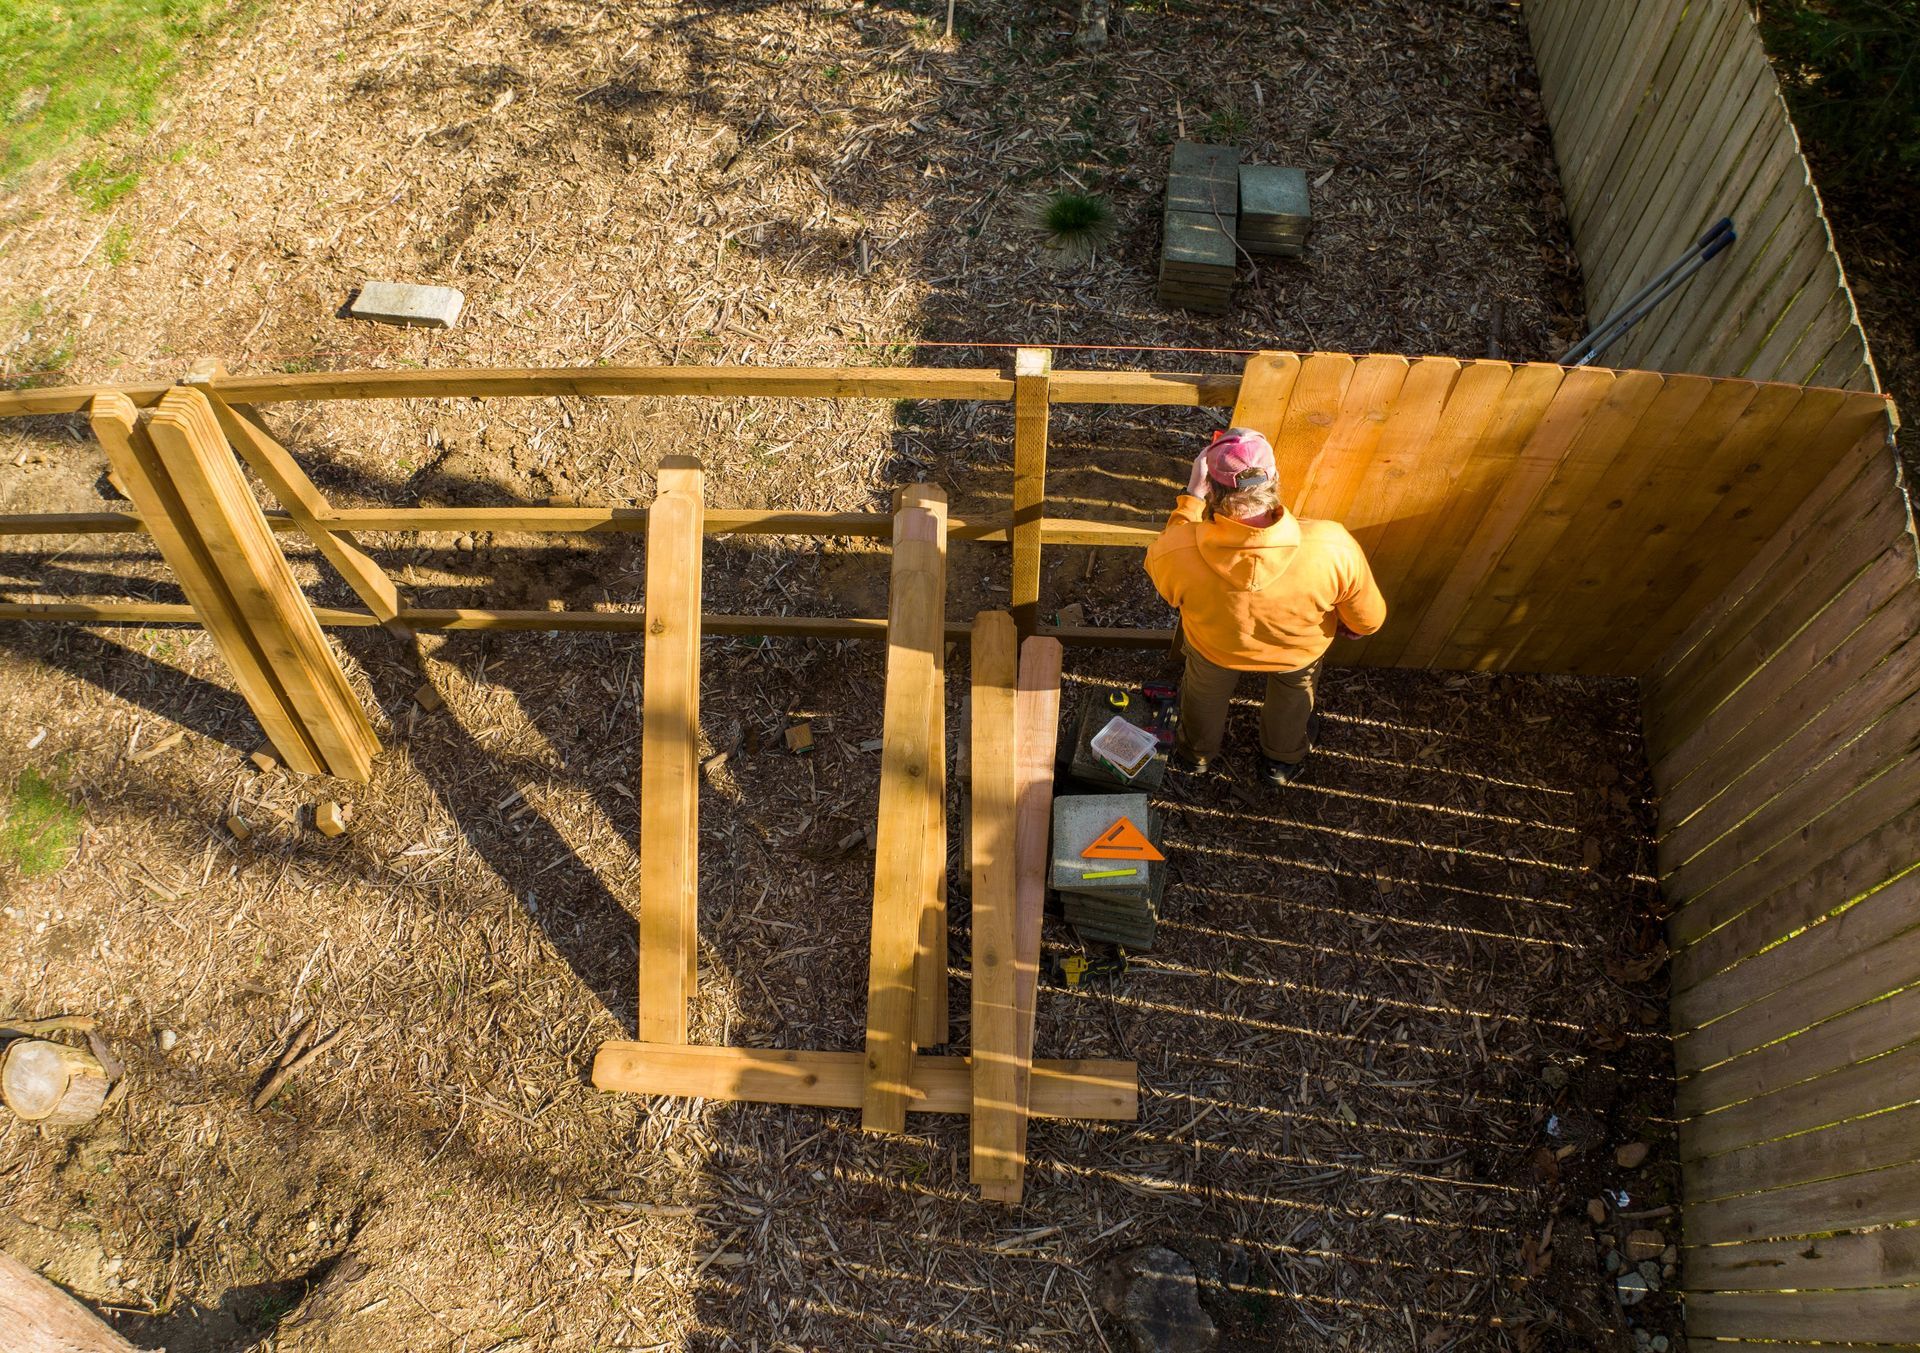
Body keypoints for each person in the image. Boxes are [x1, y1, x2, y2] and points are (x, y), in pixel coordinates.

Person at [1144, 427, 1386, 785]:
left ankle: (1196, 755)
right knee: (1294, 696)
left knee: (1203, 693)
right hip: (1298, 652)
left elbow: (1169, 590)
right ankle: (1281, 760)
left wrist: (1190, 501)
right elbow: (1369, 619)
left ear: (1210, 484)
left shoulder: (1175, 549)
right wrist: (1354, 625)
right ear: (1273, 477)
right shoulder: (1332, 543)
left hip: (1216, 648)